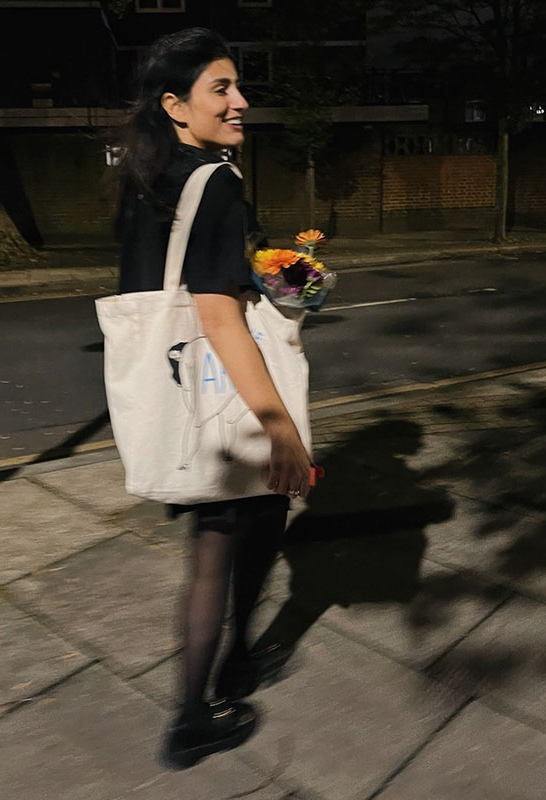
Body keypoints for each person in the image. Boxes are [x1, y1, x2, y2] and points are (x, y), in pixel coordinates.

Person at [115, 28, 312, 769]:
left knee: (247, 526)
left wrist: (277, 267)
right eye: (220, 89)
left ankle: (235, 666)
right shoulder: (218, 182)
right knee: (226, 543)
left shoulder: (149, 176)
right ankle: (193, 716)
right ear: (175, 104)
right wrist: (278, 425)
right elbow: (218, 312)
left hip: (177, 387)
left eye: (237, 86)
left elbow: (171, 283)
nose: (240, 101)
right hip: (224, 393)